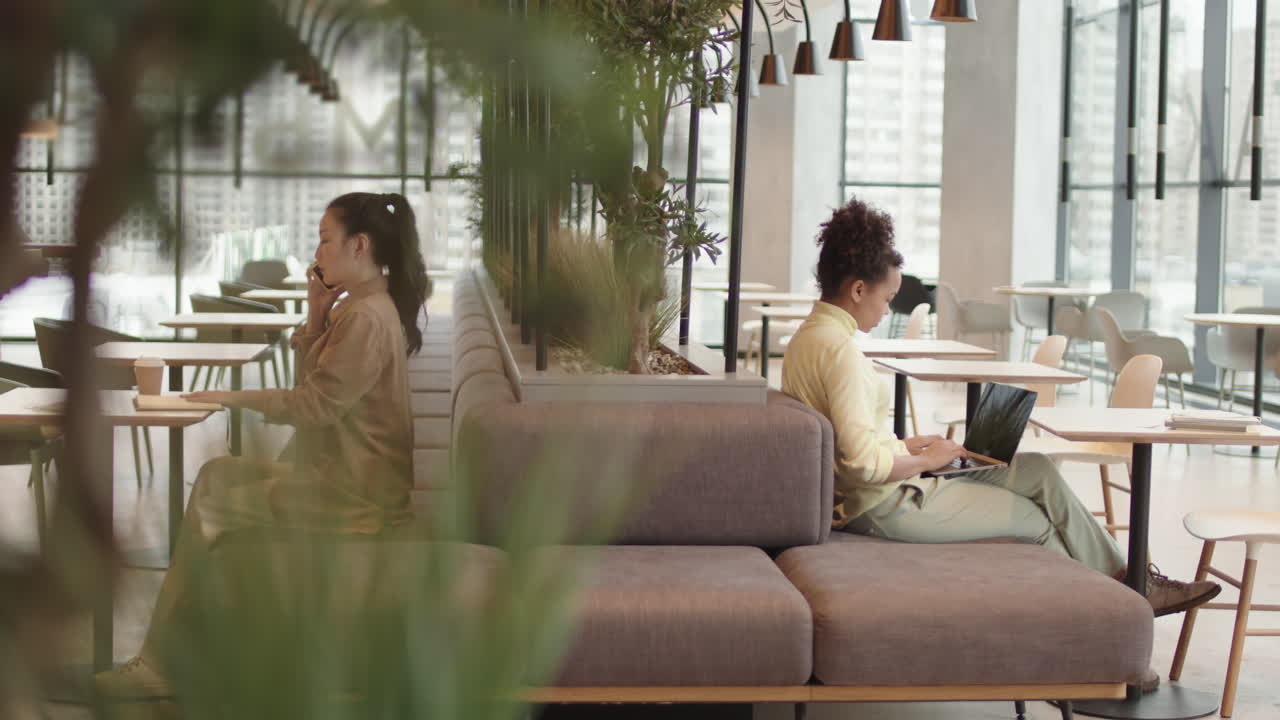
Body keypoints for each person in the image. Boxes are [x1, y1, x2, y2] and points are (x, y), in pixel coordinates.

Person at [781, 197, 1219, 620]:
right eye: (886, 297)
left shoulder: (808, 339)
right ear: (858, 289)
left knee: (1037, 471)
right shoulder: (840, 352)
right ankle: (1115, 618)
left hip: (876, 492)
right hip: (880, 505)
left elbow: (847, 441)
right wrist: (923, 460)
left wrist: (907, 445)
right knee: (1037, 520)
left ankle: (1135, 587)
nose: (888, 308)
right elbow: (860, 465)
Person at [95, 192, 431, 698]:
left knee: (211, 503)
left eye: (324, 240)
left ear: (358, 245)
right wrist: (316, 315)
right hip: (349, 482)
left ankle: (163, 660)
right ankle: (177, 656)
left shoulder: (364, 317)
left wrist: (233, 396)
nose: (316, 253)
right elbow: (318, 395)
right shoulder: (361, 308)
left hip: (359, 499)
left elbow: (312, 406)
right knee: (214, 476)